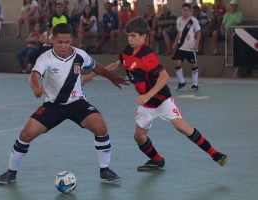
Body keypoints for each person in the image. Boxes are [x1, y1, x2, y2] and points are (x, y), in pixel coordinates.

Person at [83, 16, 228, 171]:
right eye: (128, 36)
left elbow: (164, 76)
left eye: (134, 36)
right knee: (139, 136)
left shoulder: (146, 55)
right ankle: (157, 160)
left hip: (161, 99)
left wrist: (147, 95)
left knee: (182, 127)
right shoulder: (127, 51)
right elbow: (116, 64)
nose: (130, 39)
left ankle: (215, 154)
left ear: (143, 36)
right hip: (146, 104)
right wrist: (93, 75)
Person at [0, 23, 128, 185]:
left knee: (101, 128)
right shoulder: (46, 58)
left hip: (77, 103)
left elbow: (97, 67)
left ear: (72, 40)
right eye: (59, 42)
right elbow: (34, 75)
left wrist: (112, 77)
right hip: (53, 106)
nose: (63, 46)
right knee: (25, 135)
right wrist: (36, 86)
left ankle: (105, 170)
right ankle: (11, 172)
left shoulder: (80, 55)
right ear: (52, 40)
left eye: (67, 42)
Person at [173, 3, 201, 91]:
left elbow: (198, 32)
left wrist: (197, 43)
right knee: (177, 63)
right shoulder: (179, 20)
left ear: (190, 11)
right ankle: (182, 82)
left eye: (187, 10)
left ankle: (195, 85)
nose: (185, 12)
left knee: (194, 65)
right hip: (181, 46)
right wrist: (175, 42)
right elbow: (179, 32)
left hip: (191, 47)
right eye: (183, 10)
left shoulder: (193, 20)